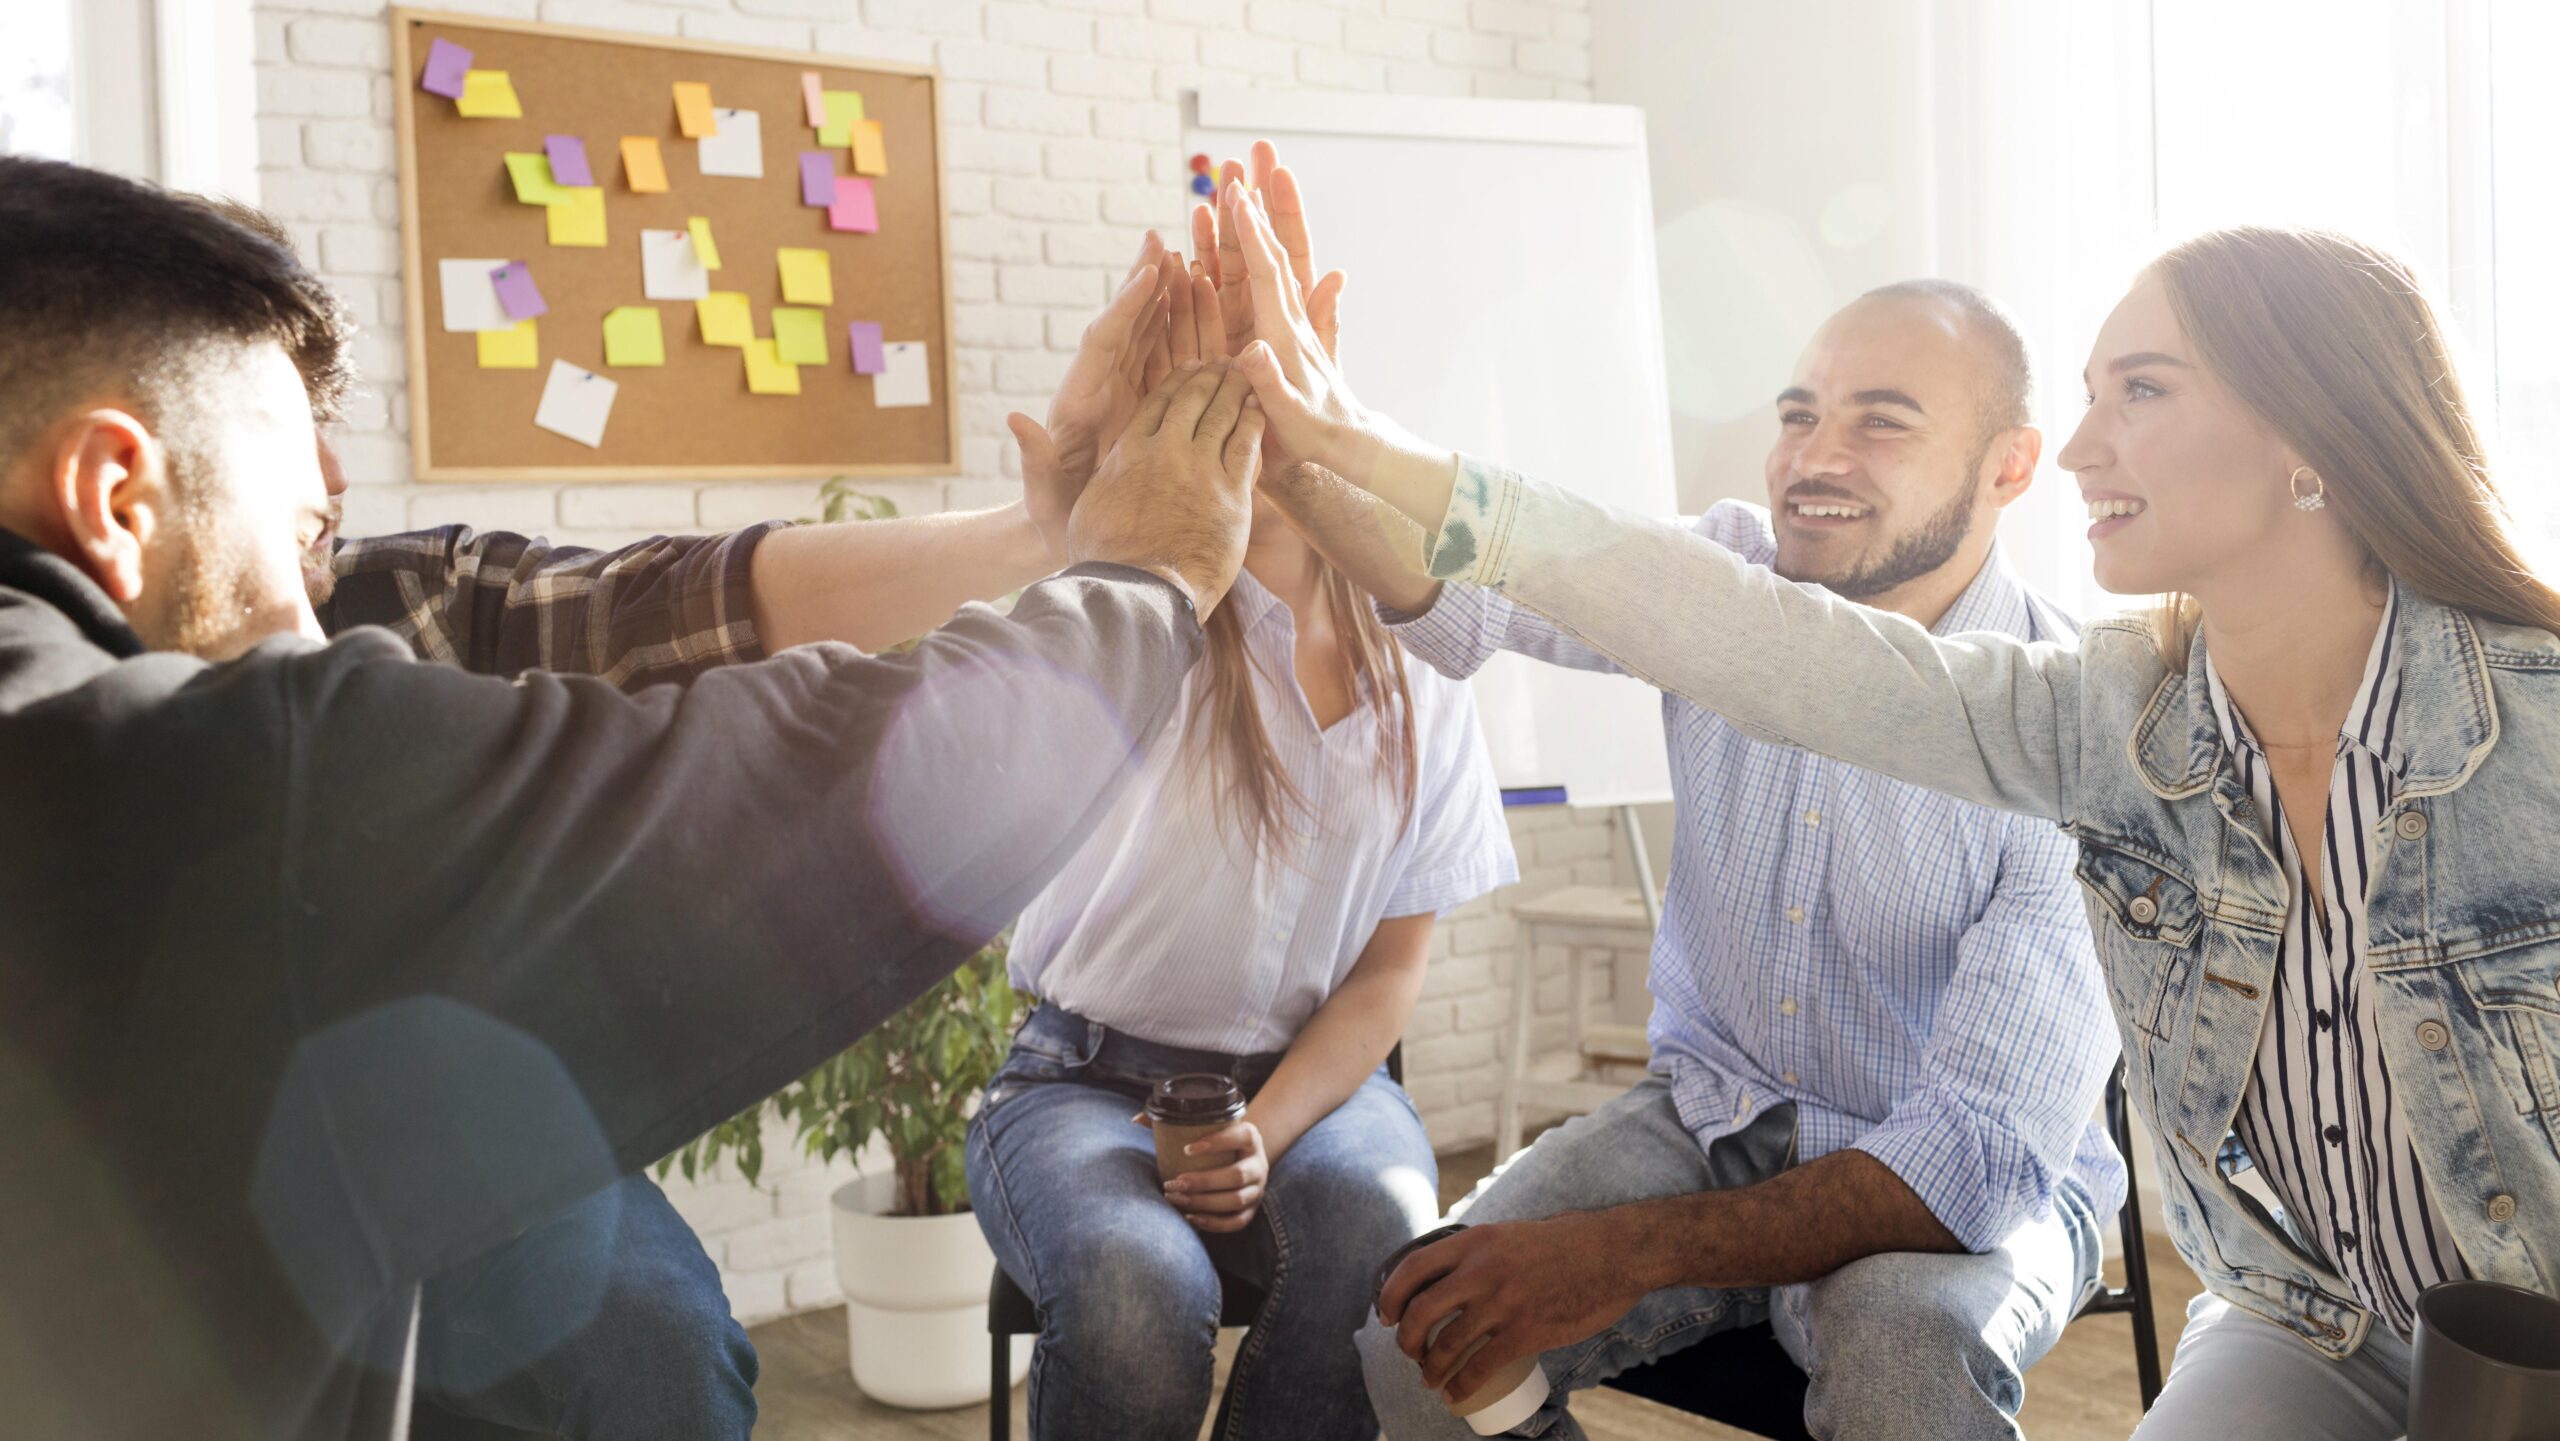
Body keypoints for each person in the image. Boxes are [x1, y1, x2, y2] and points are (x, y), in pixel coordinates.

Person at [1227, 168, 2560, 1439]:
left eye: (2141, 391)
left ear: (2316, 435)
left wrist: (1610, 1252)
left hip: (2503, 1308)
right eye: (1802, 410)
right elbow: (1741, 635)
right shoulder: (2104, 719)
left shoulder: (2532, 727)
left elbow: (1975, 1153)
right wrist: (1319, 445)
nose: (2094, 443)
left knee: (1898, 1332)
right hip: (2303, 1310)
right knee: (1425, 1322)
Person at [0, 155, 1262, 1441]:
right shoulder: (186, 771)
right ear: (116, 495)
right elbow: (798, 794)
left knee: (643, 1334)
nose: (312, 609)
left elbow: (666, 606)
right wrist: (1144, 576)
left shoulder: (314, 632)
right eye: (291, 533)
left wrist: (1036, 541)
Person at [961, 169, 1517, 1441]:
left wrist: (1263, 1131)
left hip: (1316, 1081)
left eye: (1261, 366)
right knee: (1134, 1280)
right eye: (1202, 376)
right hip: (1080, 1085)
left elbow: (1387, 974)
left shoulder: (1421, 661)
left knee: (1380, 1223)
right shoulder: (1123, 622)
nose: (1238, 405)